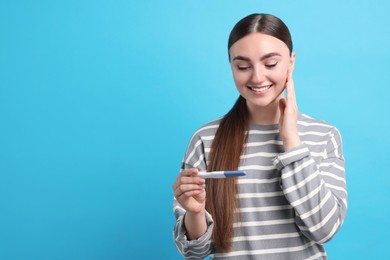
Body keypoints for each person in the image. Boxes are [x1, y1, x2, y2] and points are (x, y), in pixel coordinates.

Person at [172, 13, 347, 259]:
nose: (257, 77)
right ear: (231, 66)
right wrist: (195, 212)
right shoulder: (205, 139)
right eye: (242, 66)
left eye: (271, 64)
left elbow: (325, 229)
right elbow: (195, 251)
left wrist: (292, 142)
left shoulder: (324, 135)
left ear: (291, 62)